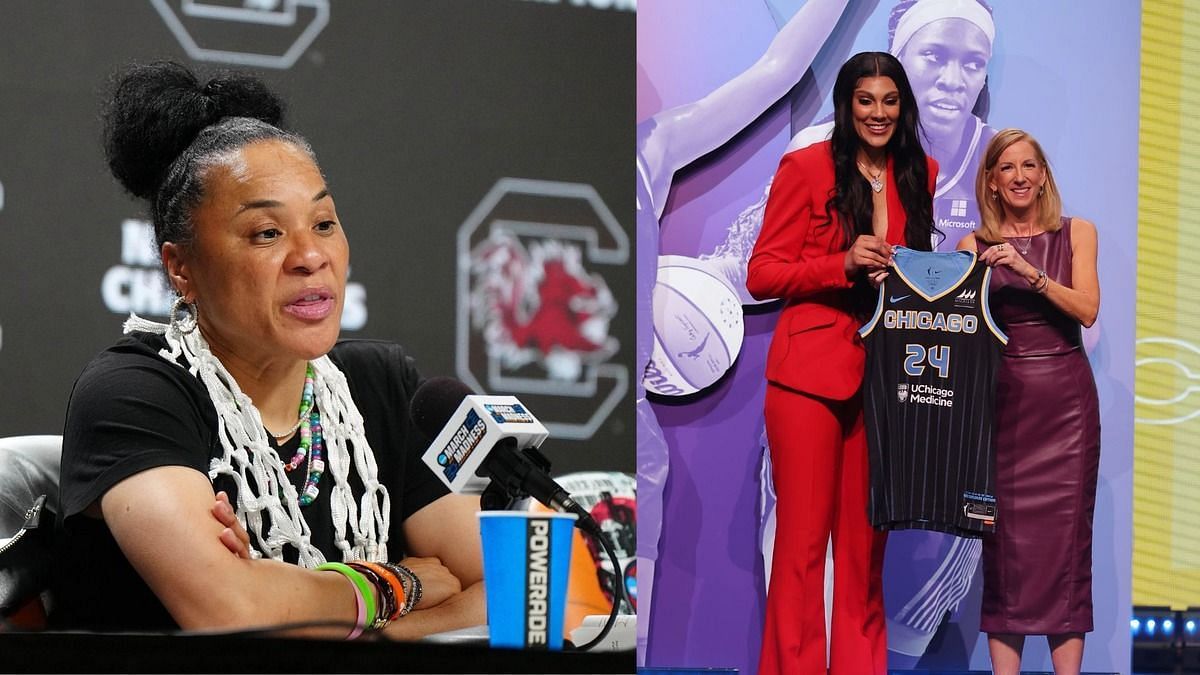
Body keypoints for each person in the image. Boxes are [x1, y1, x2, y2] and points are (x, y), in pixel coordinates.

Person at [50, 62, 484, 638]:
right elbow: (229, 612)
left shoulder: (381, 387)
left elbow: (525, 592)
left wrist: (364, 629)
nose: (310, 255)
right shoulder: (134, 394)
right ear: (181, 267)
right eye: (267, 233)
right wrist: (400, 586)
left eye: (324, 223)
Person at [746, 51, 937, 675]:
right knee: (801, 549)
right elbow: (762, 273)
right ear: (846, 105)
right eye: (865, 101)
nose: (878, 113)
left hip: (886, 380)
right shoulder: (804, 168)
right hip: (807, 378)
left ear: (902, 106)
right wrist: (842, 264)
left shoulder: (920, 171)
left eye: (889, 101)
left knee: (865, 554)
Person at [956, 128, 1100, 675]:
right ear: (991, 182)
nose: (1019, 177)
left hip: (1066, 409)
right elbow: (957, 328)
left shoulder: (1077, 232)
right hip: (1003, 409)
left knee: (1066, 553)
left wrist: (1028, 273)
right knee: (1006, 554)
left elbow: (1087, 310)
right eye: (1006, 168)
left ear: (1043, 177)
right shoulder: (972, 247)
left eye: (1029, 166)